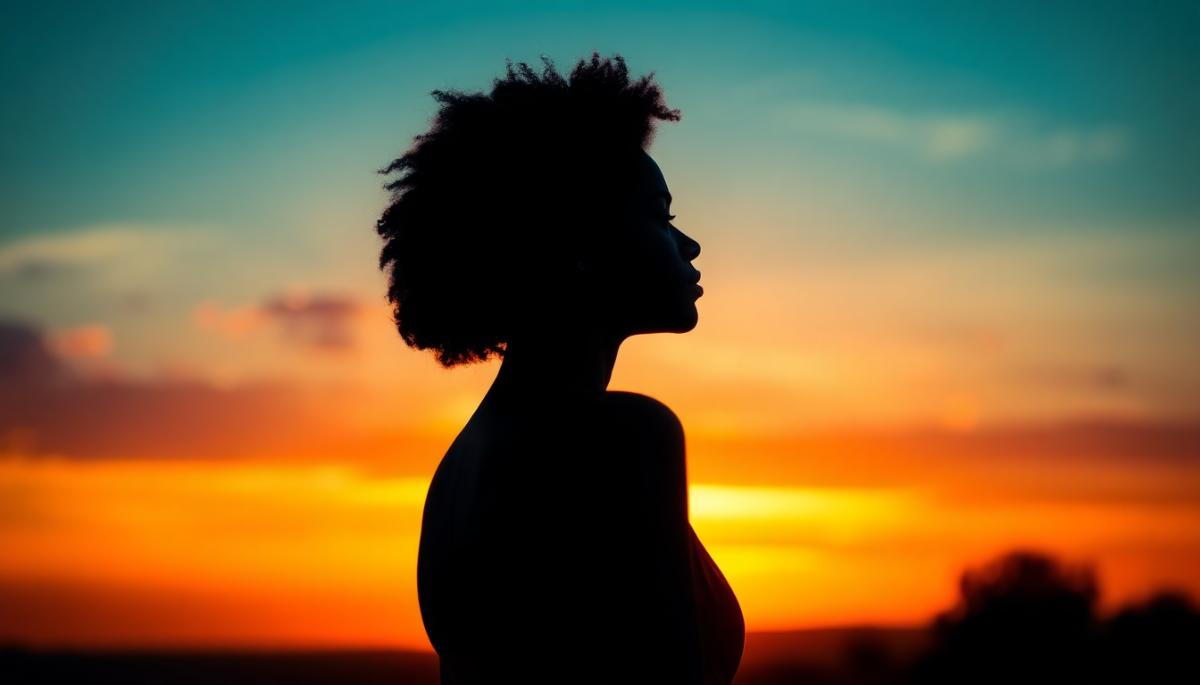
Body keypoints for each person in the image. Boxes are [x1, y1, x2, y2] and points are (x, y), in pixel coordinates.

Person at [375, 52, 743, 684]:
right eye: (661, 216)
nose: (689, 244)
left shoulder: (459, 470)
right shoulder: (624, 436)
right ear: (579, 242)